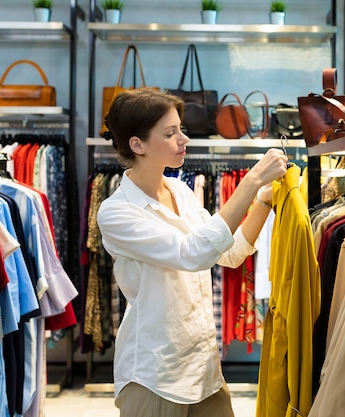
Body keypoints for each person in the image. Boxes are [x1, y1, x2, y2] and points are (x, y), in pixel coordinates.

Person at [96, 87, 288, 417]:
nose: (184, 139)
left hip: (203, 367)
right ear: (137, 144)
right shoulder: (116, 213)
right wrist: (251, 180)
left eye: (181, 129)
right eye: (171, 133)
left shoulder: (181, 191)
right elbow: (192, 254)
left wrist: (264, 200)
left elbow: (229, 253)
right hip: (155, 375)